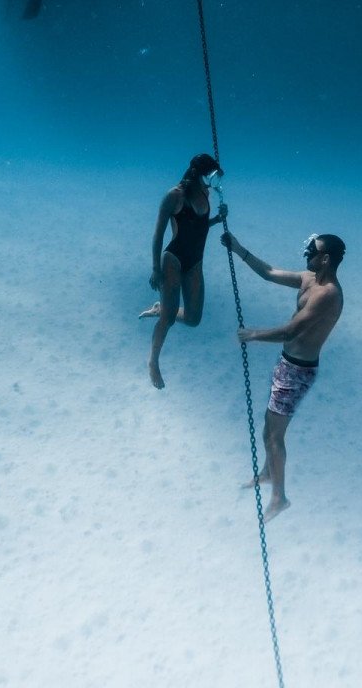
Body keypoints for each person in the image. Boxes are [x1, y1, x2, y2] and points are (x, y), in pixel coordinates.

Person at [221, 229, 345, 521]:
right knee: (268, 429)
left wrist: (252, 335)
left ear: (325, 258)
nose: (307, 254)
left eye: (312, 250)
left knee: (275, 436)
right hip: (288, 364)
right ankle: (267, 471)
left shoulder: (328, 294)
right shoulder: (308, 279)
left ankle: (279, 498)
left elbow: (293, 330)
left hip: (297, 372)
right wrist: (239, 248)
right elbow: (268, 272)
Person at [140, 154, 228, 389]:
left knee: (193, 319)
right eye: (212, 175)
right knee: (167, 321)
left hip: (195, 263)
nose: (214, 181)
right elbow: (158, 234)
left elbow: (197, 226)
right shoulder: (174, 196)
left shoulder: (205, 193)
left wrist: (217, 219)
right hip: (173, 260)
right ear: (200, 174)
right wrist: (155, 270)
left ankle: (161, 309)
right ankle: (153, 362)